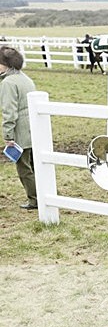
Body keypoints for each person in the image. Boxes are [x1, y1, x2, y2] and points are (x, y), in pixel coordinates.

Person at [0, 46, 37, 210]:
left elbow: (9, 111)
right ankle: (44, 194)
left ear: (6, 64)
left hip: (20, 130)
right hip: (33, 127)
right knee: (35, 165)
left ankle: (34, 200)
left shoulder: (8, 83)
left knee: (24, 168)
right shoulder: (25, 78)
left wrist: (8, 135)